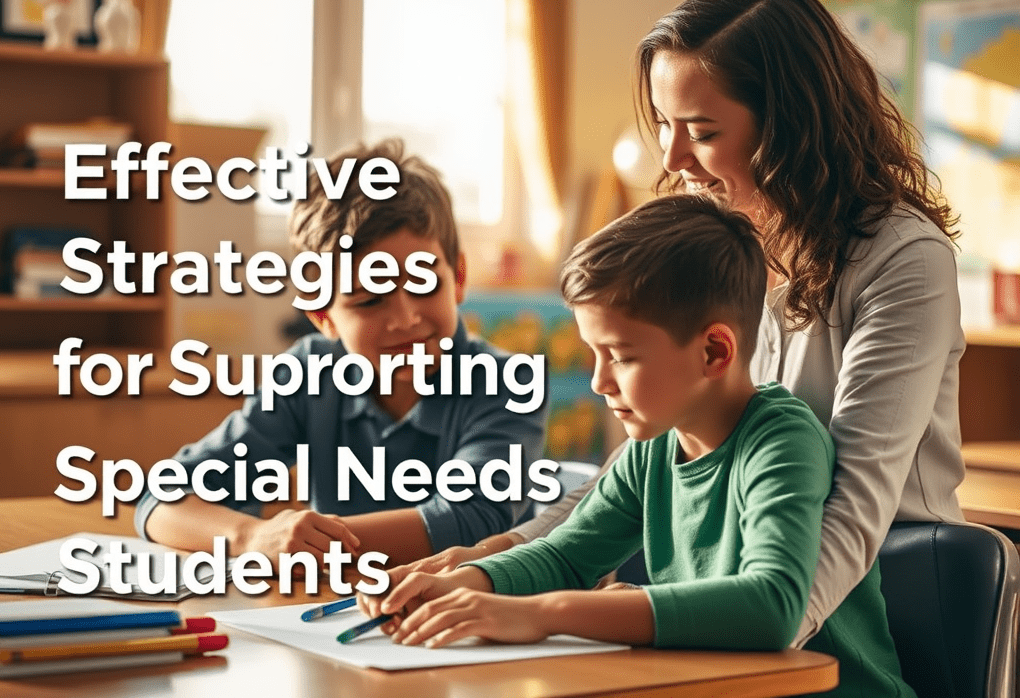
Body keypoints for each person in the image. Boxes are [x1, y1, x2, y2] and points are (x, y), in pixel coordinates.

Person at [393, 0, 966, 647]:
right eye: (665, 125)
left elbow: (853, 498)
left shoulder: (904, 258)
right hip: (747, 591)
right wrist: (495, 565)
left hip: (875, 598)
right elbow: (641, 465)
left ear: (788, 127)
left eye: (701, 130)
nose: (671, 157)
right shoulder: (721, 242)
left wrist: (766, 629)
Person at [360, 194, 916, 697]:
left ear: (713, 353)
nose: (600, 382)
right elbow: (564, 554)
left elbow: (772, 606)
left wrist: (544, 613)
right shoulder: (653, 448)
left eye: (621, 356)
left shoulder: (781, 443)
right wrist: (458, 584)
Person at [135, 138, 547, 566]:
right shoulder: (309, 371)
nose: (405, 318)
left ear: (457, 277)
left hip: (469, 616)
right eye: (370, 300)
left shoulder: (505, 380)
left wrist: (313, 544)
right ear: (322, 315)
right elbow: (161, 497)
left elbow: (474, 518)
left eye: (424, 284)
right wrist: (252, 537)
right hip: (330, 614)